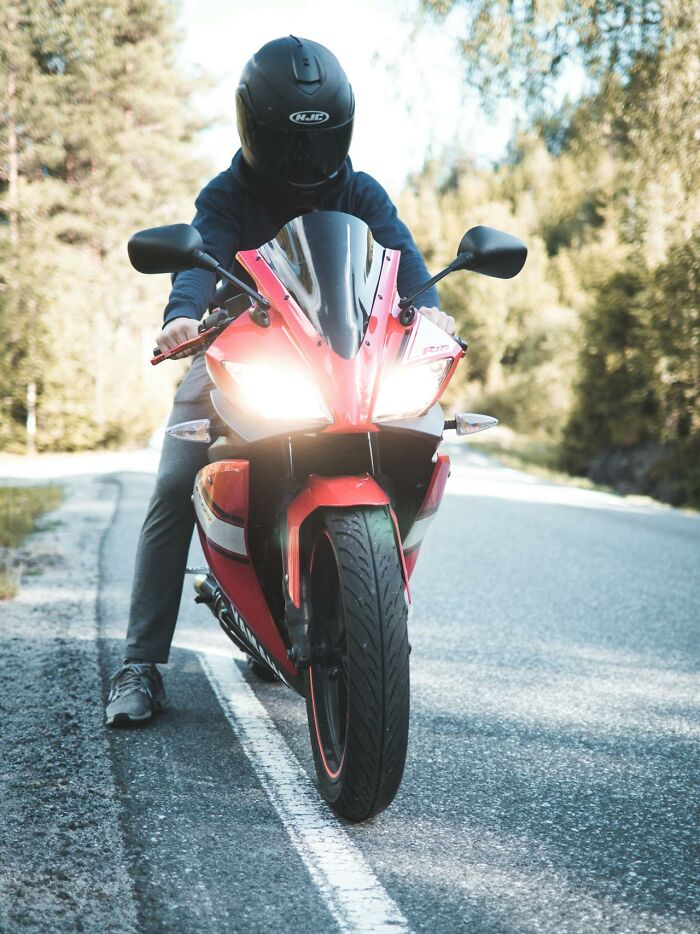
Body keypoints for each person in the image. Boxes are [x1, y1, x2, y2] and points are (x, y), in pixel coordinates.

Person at [106, 35, 455, 726]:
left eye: (318, 143)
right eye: (290, 143)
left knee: (422, 433)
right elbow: (196, 264)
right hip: (246, 357)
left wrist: (436, 318)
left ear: (341, 133)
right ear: (255, 132)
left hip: (344, 364)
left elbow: (406, 268)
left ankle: (364, 610)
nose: (305, 160)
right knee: (177, 480)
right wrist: (182, 320)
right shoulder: (228, 192)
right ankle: (139, 662)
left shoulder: (360, 191)